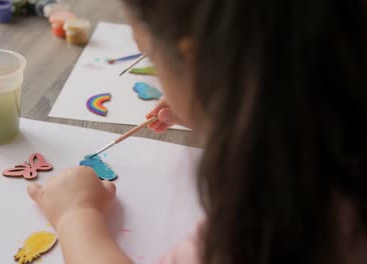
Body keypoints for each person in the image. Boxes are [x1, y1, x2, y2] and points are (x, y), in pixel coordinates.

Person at [27, 0, 367, 263]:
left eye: (151, 58)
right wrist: (220, 112)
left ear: (196, 63)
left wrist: (76, 215)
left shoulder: (268, 224)